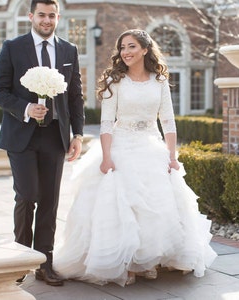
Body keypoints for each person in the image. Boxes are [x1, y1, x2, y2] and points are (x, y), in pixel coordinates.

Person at [53, 29, 217, 287]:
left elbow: (168, 121)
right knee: (121, 206)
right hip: (121, 145)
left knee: (156, 206)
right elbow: (107, 123)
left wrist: (171, 157)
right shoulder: (114, 81)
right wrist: (106, 158)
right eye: (122, 48)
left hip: (151, 146)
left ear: (144, 50)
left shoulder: (160, 81)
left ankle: (148, 261)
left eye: (131, 46)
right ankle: (124, 263)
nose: (125, 52)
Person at [0, 0, 84, 286]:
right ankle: (20, 258)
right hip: (21, 135)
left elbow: (75, 96)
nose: (46, 20)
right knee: (28, 195)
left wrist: (78, 135)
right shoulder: (12, 47)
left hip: (55, 136)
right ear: (31, 16)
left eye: (51, 15)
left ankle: (45, 262)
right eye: (41, 15)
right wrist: (27, 108)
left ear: (58, 17)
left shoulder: (69, 50)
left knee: (50, 201)